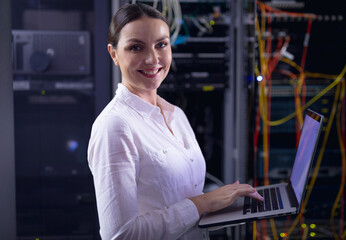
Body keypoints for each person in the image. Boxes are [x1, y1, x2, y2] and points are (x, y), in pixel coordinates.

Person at [87, 3, 263, 240]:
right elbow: (120, 234)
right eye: (136, 47)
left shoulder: (175, 114)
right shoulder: (115, 126)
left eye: (161, 45)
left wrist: (225, 199)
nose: (152, 58)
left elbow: (181, 196)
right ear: (114, 54)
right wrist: (203, 203)